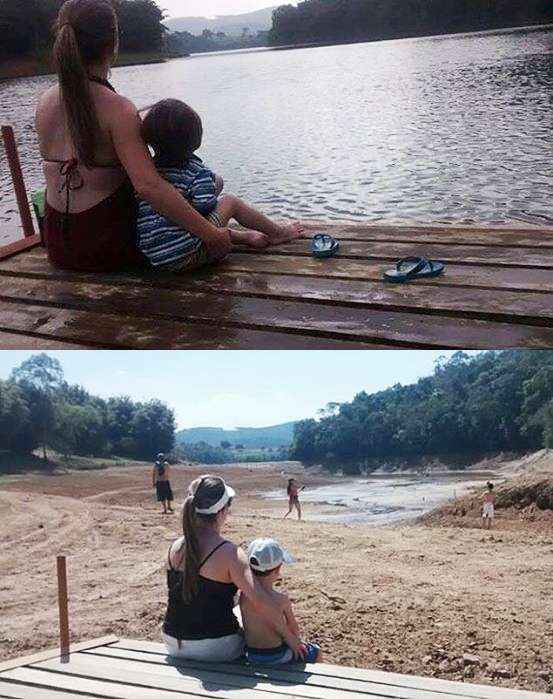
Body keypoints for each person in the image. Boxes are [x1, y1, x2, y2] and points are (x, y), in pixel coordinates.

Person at [36, 0, 233, 273]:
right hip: (106, 249)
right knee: (191, 185)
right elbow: (148, 187)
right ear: (112, 43)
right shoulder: (118, 108)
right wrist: (213, 235)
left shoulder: (45, 101)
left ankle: (238, 234)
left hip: (58, 245)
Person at [137, 99, 304, 272]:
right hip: (187, 254)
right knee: (230, 202)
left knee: (189, 224)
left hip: (156, 256)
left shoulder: (148, 173)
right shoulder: (194, 171)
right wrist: (215, 185)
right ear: (195, 139)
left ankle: (246, 237)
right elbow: (205, 204)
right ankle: (278, 233)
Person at [163, 475, 306, 661]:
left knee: (238, 609)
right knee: (253, 610)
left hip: (172, 642)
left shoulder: (175, 547)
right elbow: (261, 602)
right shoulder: (230, 553)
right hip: (213, 647)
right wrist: (292, 639)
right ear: (222, 512)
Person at [240, 538, 322, 665]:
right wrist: (297, 641)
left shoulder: (244, 596)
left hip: (252, 654)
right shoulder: (281, 599)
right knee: (316, 651)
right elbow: (293, 628)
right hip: (276, 655)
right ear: (277, 570)